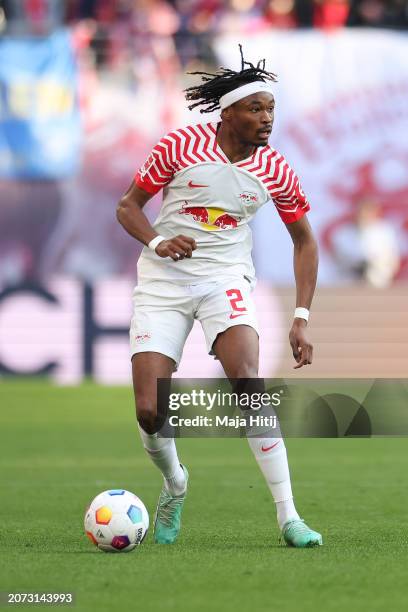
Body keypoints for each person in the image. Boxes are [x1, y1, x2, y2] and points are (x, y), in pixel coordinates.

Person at [117, 46, 322, 548]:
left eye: (271, 109)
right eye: (255, 109)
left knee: (250, 385)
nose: (266, 118)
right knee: (149, 410)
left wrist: (300, 316)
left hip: (226, 279)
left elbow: (305, 242)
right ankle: (175, 483)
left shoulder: (275, 169)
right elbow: (128, 208)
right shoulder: (179, 146)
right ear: (227, 112)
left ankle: (289, 517)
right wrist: (159, 241)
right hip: (163, 282)